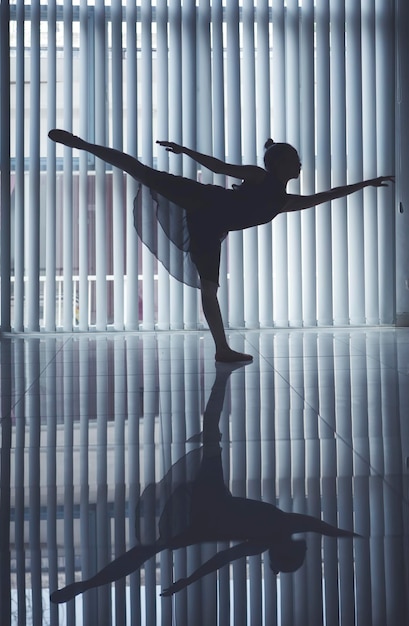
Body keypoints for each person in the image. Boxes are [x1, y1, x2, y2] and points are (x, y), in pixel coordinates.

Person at [48, 129, 394, 362]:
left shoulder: (282, 201)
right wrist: (184, 151)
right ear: (279, 165)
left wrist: (368, 183)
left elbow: (325, 196)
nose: (301, 164)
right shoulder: (260, 178)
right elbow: (219, 166)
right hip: (202, 201)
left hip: (208, 231)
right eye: (295, 159)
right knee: (142, 171)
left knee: (210, 289)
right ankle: (82, 145)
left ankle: (222, 349)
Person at [50, 362, 357, 604]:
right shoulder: (277, 533)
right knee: (148, 549)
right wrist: (188, 581)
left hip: (205, 510)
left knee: (149, 548)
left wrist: (189, 581)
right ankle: (84, 586)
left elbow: (222, 559)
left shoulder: (284, 529)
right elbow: (223, 558)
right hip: (207, 508)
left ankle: (221, 379)